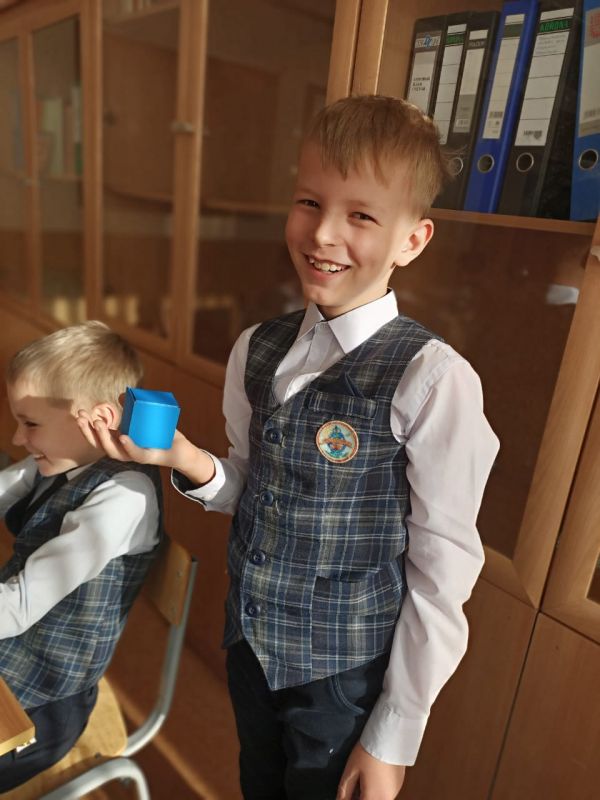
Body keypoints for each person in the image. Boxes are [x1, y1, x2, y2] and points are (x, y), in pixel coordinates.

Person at [79, 95, 500, 800]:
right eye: (310, 202)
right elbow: (256, 484)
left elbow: (443, 568)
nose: (324, 234)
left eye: (361, 216)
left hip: (341, 679)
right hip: (251, 648)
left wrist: (393, 733)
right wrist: (182, 458)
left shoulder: (433, 379)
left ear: (412, 240)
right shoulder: (259, 347)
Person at [0, 321, 164, 792]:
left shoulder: (123, 497)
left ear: (98, 420)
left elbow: (19, 606)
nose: (17, 438)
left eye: (31, 423)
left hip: (46, 704)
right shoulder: (62, 457)